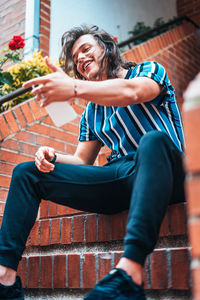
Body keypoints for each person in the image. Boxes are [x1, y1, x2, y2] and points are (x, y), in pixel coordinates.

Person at [0, 25, 185, 300]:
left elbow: (133, 92)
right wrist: (51, 155)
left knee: (153, 140)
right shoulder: (91, 111)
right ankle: (5, 278)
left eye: (86, 49)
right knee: (27, 172)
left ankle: (129, 272)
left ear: (108, 45)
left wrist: (74, 88)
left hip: (166, 171)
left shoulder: (149, 70)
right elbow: (81, 160)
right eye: (76, 59)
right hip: (120, 176)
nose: (81, 59)